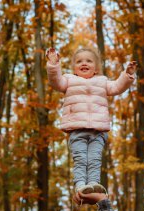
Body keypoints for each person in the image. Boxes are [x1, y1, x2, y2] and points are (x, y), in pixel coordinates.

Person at [46, 47, 137, 194]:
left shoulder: (102, 81)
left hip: (98, 131)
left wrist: (127, 75)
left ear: (96, 68)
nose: (84, 63)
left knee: (94, 160)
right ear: (74, 68)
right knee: (81, 159)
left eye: (89, 61)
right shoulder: (69, 80)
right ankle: (81, 185)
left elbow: (117, 87)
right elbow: (55, 81)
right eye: (79, 61)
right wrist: (53, 64)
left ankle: (94, 183)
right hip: (77, 129)